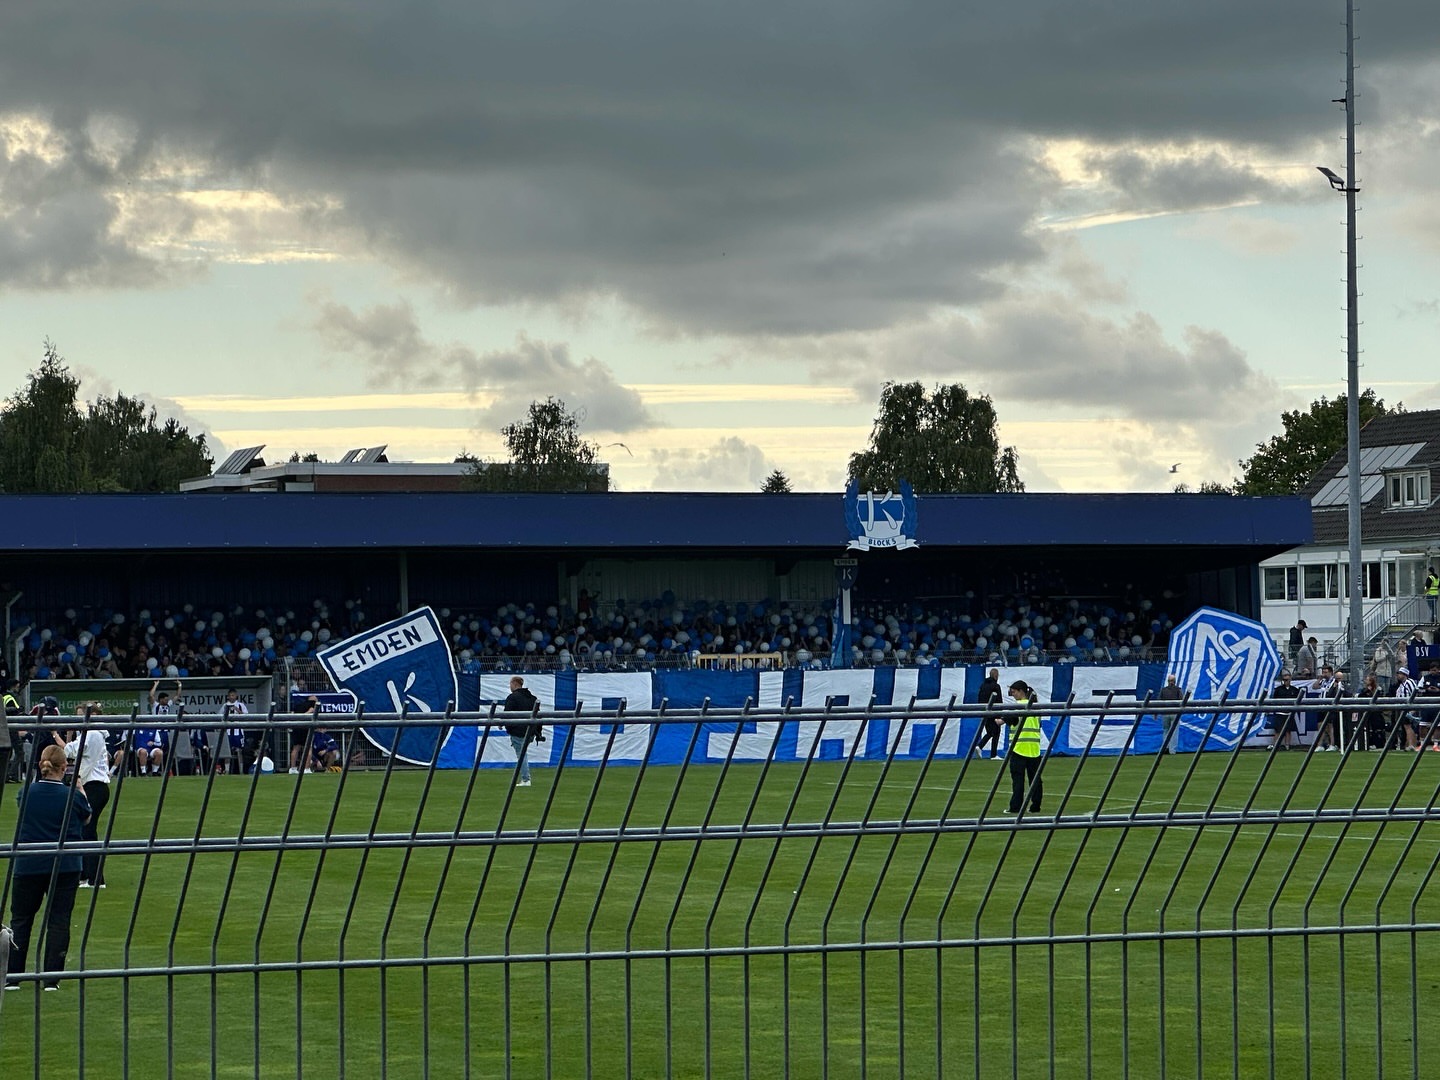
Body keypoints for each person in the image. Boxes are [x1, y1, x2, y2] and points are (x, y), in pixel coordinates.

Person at [4, 744, 91, 991]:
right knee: (59, 920)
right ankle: (52, 978)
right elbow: (86, 817)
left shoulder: (25, 793)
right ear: (64, 768)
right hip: (64, 864)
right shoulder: (71, 796)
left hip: (29, 862)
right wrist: (80, 788)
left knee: (21, 920)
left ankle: (13, 975)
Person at [60, 710, 111, 889]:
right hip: (88, 785)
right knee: (82, 830)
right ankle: (84, 875)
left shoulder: (93, 734)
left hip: (94, 786)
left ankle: (96, 878)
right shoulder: (87, 734)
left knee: (88, 830)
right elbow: (70, 752)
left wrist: (61, 736)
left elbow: (71, 750)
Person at [1003, 680, 1043, 815]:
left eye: (1013, 692)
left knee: (1018, 780)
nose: (1013, 695)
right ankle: (1035, 806)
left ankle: (1016, 807)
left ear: (1021, 691)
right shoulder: (1036, 707)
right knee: (1035, 780)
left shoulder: (1018, 706)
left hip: (1019, 748)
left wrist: (997, 719)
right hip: (1034, 749)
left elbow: (1008, 720)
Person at [503, 676, 543, 788]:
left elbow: (507, 714)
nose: (510, 686)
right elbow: (538, 716)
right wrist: (538, 732)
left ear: (514, 684)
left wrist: (506, 726)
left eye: (510, 684)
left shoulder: (512, 698)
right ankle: (525, 778)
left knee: (521, 755)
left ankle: (526, 779)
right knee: (523, 754)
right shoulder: (532, 698)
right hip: (530, 731)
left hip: (517, 731)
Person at [974, 667, 1003, 759]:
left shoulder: (982, 686)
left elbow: (979, 699)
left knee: (990, 732)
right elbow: (999, 701)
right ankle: (993, 754)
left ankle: (980, 746)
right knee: (996, 732)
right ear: (995, 676)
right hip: (994, 712)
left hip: (984, 711)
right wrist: (1000, 714)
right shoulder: (996, 686)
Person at [1269, 671, 1303, 750]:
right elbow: (1274, 700)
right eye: (1284, 680)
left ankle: (1287, 745)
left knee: (1288, 730)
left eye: (1287, 680)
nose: (1286, 681)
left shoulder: (1294, 690)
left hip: (1289, 713)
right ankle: (1275, 745)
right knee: (1278, 730)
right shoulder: (1278, 689)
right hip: (1280, 712)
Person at [289, 696, 321, 774]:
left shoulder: (298, 705)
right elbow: (311, 711)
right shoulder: (313, 705)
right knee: (308, 748)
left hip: (297, 727)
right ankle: (306, 769)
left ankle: (292, 768)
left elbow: (292, 714)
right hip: (306, 728)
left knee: (296, 748)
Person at [1156, 674, 1183, 754]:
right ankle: (1172, 750)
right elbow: (1182, 700)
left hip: (1165, 713)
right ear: (1174, 681)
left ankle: (1165, 747)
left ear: (1168, 681)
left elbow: (1159, 702)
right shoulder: (1178, 690)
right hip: (1175, 713)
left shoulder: (1163, 690)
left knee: (1166, 731)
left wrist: (1156, 713)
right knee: (1174, 732)